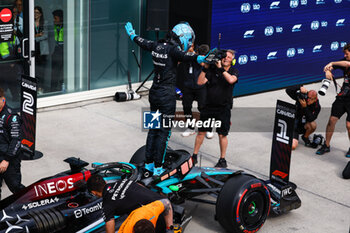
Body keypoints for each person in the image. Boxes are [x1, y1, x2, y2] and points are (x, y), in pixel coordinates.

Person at [124, 22, 208, 176]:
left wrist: (132, 35)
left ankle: (148, 163)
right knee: (164, 132)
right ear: (184, 38)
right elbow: (186, 56)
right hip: (166, 96)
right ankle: (158, 167)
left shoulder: (157, 45)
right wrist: (200, 58)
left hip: (154, 93)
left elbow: (142, 42)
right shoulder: (173, 50)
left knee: (153, 130)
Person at [193, 49, 239, 167]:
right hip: (208, 106)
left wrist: (220, 69)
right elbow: (200, 82)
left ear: (232, 60)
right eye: (224, 56)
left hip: (223, 108)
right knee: (201, 133)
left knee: (222, 134)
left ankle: (222, 159)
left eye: (228, 57)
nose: (225, 58)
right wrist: (205, 67)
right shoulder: (212, 70)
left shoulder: (234, 71)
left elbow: (231, 80)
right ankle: (194, 156)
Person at [87, 174, 174, 233]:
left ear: (94, 192)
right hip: (164, 206)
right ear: (105, 182)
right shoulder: (123, 181)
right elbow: (141, 187)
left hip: (152, 220)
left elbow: (110, 227)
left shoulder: (107, 205)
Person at [316, 44, 350, 156]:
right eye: (344, 53)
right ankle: (326, 145)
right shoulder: (344, 60)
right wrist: (328, 71)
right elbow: (333, 67)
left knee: (349, 126)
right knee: (331, 120)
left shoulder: (347, 62)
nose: (345, 55)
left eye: (347, 53)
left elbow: (347, 64)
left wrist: (332, 63)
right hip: (343, 96)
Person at [178, 44, 213, 139]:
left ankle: (208, 128)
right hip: (188, 87)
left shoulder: (206, 60)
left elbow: (204, 64)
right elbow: (178, 60)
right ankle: (190, 128)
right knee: (186, 107)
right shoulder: (186, 57)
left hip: (201, 87)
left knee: (203, 108)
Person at [0, 88, 25, 200]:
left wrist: (6, 160)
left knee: (15, 186)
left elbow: (16, 140)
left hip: (8, 159)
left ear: (3, 99)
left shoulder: (11, 117)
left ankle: (28, 204)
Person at [286, 85, 321, 150]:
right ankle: (290, 135)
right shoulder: (302, 98)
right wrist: (299, 87)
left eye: (311, 99)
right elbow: (288, 90)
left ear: (316, 99)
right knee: (293, 146)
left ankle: (305, 137)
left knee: (313, 125)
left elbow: (311, 119)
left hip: (304, 125)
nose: (308, 100)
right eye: (308, 97)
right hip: (294, 125)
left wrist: (305, 107)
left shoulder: (317, 107)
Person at [34, 6, 49, 94]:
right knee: (34, 70)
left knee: (42, 70)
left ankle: (40, 88)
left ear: (41, 14)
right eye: (34, 13)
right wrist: (37, 35)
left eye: (37, 13)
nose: (35, 14)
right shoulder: (30, 22)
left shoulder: (45, 23)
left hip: (42, 50)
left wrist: (34, 37)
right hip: (34, 49)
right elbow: (29, 36)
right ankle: (35, 87)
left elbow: (45, 35)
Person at [51, 9, 64, 92]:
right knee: (54, 70)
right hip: (57, 48)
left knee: (61, 69)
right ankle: (54, 87)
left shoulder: (65, 27)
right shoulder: (56, 26)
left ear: (61, 19)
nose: (53, 20)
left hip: (64, 48)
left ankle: (61, 86)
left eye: (55, 18)